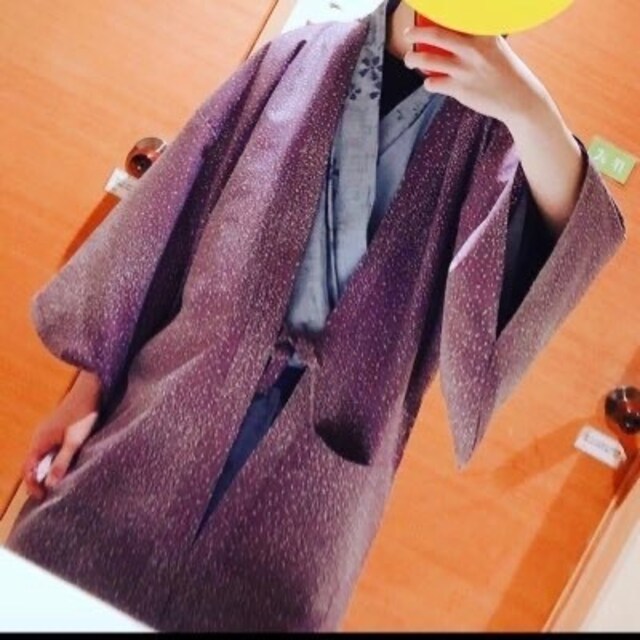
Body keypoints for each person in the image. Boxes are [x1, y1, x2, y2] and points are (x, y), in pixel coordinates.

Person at [6, 0, 625, 632]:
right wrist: (86, 390)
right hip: (166, 411)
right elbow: (170, 222)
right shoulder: (298, 56)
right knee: (57, 585)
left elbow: (565, 232)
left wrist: (527, 107)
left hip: (315, 481)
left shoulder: (497, 133)